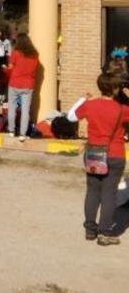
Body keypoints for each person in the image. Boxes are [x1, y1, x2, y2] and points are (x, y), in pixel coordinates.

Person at [68, 73, 129, 246]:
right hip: (115, 154)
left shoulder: (90, 105)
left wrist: (82, 99)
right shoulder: (122, 109)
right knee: (109, 194)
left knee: (93, 191)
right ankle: (104, 232)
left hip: (94, 153)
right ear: (116, 89)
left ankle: (89, 229)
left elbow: (70, 116)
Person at [6, 33, 40, 142]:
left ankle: (11, 131)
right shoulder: (35, 54)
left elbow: (10, 67)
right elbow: (35, 69)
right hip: (28, 84)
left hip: (15, 83)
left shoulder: (16, 53)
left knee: (12, 108)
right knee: (26, 110)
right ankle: (22, 134)